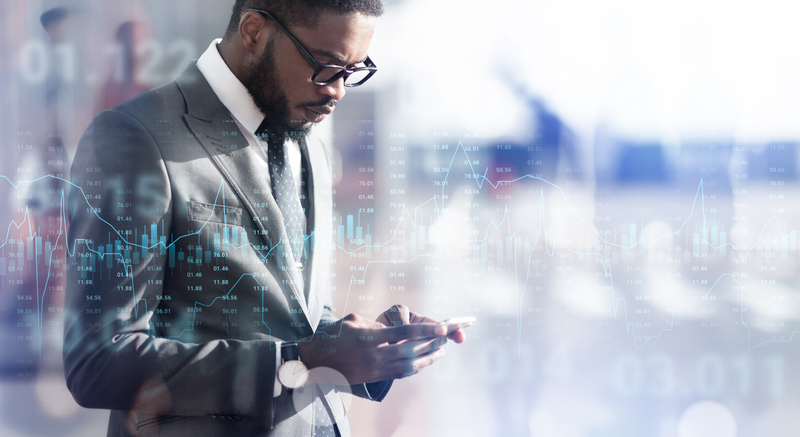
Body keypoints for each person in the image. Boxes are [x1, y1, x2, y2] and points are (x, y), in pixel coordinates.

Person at [63, 1, 466, 436]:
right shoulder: (136, 136)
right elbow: (98, 361)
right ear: (254, 31)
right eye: (326, 66)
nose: (338, 91)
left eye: (352, 71)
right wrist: (297, 361)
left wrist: (368, 348)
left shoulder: (310, 147)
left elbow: (298, 317)